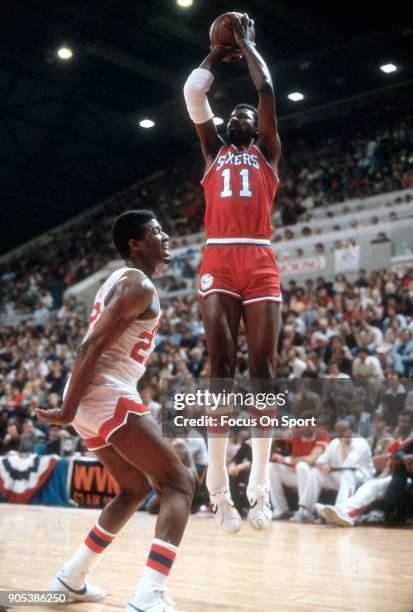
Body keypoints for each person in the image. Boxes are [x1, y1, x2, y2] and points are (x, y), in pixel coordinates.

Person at [37, 210, 195, 612]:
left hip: (93, 392)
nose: (167, 236)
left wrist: (73, 406)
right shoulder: (137, 284)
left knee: (134, 489)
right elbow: (90, 347)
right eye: (157, 231)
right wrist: (67, 410)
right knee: (179, 483)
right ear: (135, 244)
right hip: (101, 391)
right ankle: (148, 595)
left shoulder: (125, 280)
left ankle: (70, 578)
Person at [184, 13, 282, 532]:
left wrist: (244, 44)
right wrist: (212, 55)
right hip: (218, 256)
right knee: (220, 368)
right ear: (227, 126)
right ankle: (219, 490)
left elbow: (266, 89)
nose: (243, 114)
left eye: (249, 113)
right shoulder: (212, 151)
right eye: (237, 113)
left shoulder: (267, 153)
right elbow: (193, 93)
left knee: (263, 376)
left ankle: (260, 491)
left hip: (260, 258)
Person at [292, 420, 375, 522]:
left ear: (351, 430)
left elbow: (348, 466)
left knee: (347, 473)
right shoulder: (335, 443)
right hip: (341, 477)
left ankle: (340, 511)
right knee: (315, 472)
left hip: (362, 479)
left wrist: (343, 444)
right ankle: (306, 511)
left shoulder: (360, 443)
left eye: (345, 430)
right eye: (339, 431)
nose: (343, 433)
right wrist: (323, 467)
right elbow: (319, 462)